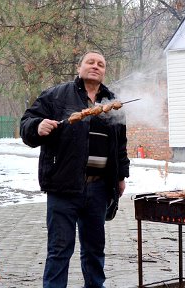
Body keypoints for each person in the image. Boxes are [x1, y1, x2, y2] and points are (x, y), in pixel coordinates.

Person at [20, 50, 130, 288]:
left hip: (99, 188)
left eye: (101, 64)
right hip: (63, 187)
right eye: (90, 62)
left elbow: (120, 144)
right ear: (79, 68)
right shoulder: (55, 96)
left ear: (104, 71)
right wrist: (37, 126)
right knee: (60, 250)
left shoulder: (112, 101)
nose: (95, 66)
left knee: (94, 250)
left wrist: (121, 176)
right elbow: (26, 125)